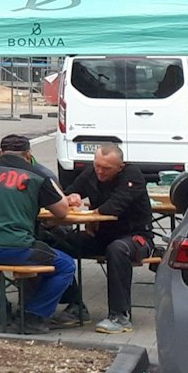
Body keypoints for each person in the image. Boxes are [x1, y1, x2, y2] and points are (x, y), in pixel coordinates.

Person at [0, 133, 75, 333]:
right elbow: (62, 211)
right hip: (15, 247)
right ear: (28, 154)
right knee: (65, 265)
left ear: (0, 152)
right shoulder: (37, 175)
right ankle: (33, 315)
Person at [50, 143, 154, 334]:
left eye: (106, 168)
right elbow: (68, 193)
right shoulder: (92, 172)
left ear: (120, 167)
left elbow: (115, 205)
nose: (100, 171)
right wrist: (71, 197)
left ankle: (120, 316)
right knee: (54, 242)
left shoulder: (133, 176)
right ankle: (74, 305)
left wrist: (92, 215)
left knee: (117, 249)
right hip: (100, 237)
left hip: (135, 238)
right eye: (97, 165)